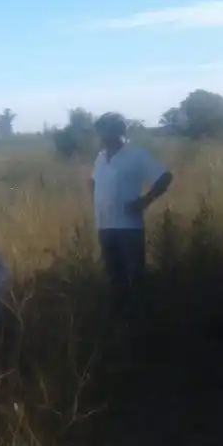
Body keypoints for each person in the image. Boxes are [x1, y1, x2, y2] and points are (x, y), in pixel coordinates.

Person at [89, 112, 173, 312]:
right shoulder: (100, 158)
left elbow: (165, 177)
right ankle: (119, 317)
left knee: (134, 273)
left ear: (119, 131)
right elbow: (94, 181)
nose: (102, 136)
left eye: (106, 130)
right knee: (113, 275)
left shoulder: (136, 155)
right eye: (100, 131)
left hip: (128, 226)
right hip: (105, 225)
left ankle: (141, 317)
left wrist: (144, 201)